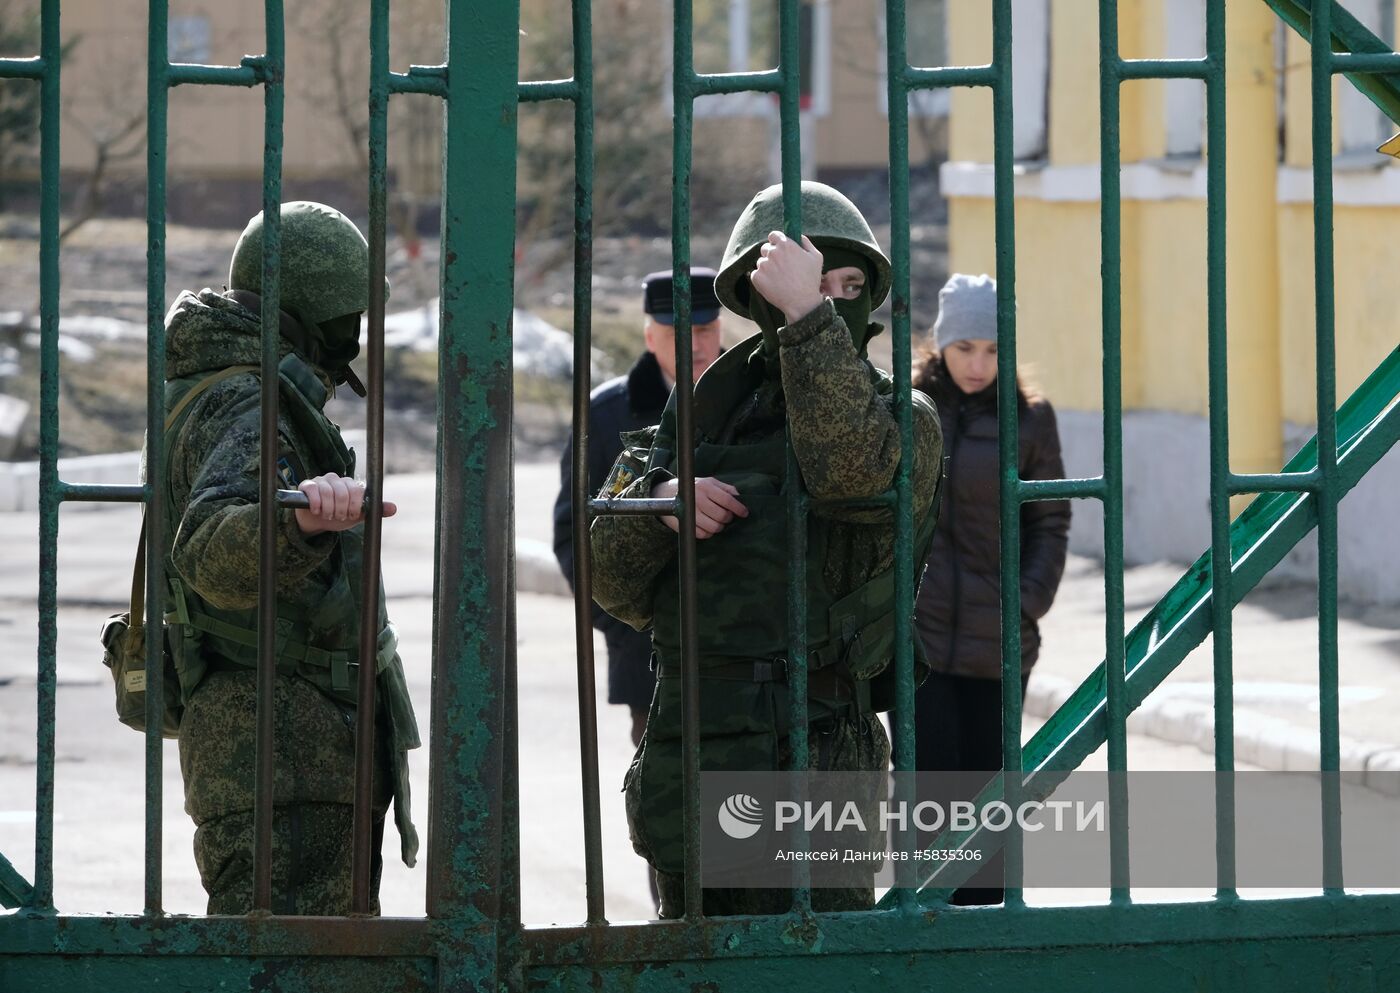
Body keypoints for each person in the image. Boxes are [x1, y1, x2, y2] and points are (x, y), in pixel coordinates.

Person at [589, 181, 944, 918]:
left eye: (849, 287)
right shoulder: (698, 415)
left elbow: (852, 476)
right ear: (758, 297)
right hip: (700, 743)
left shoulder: (902, 414)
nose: (831, 299)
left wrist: (809, 318)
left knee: (815, 967)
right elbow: (610, 583)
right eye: (812, 283)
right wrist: (663, 505)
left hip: (816, 754)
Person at [159, 201, 419, 915]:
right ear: (303, 312)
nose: (354, 337)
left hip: (292, 755)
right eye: (344, 317)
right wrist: (299, 523)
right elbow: (209, 547)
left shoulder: (226, 382)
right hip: (283, 760)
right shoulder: (248, 400)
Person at [910, 272, 1070, 905]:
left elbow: (1051, 518)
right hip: (918, 639)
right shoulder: (908, 407)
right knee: (928, 793)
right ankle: (923, 924)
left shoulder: (1031, 420)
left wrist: (1024, 603)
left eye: (994, 350)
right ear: (941, 345)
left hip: (998, 640)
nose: (978, 364)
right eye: (965, 347)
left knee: (991, 794)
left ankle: (987, 935)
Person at [552, 267, 724, 749]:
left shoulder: (762, 401)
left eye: (705, 329)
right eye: (676, 332)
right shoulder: (606, 416)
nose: (693, 344)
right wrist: (625, 626)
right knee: (668, 804)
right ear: (650, 335)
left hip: (756, 648)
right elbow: (574, 533)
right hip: (649, 656)